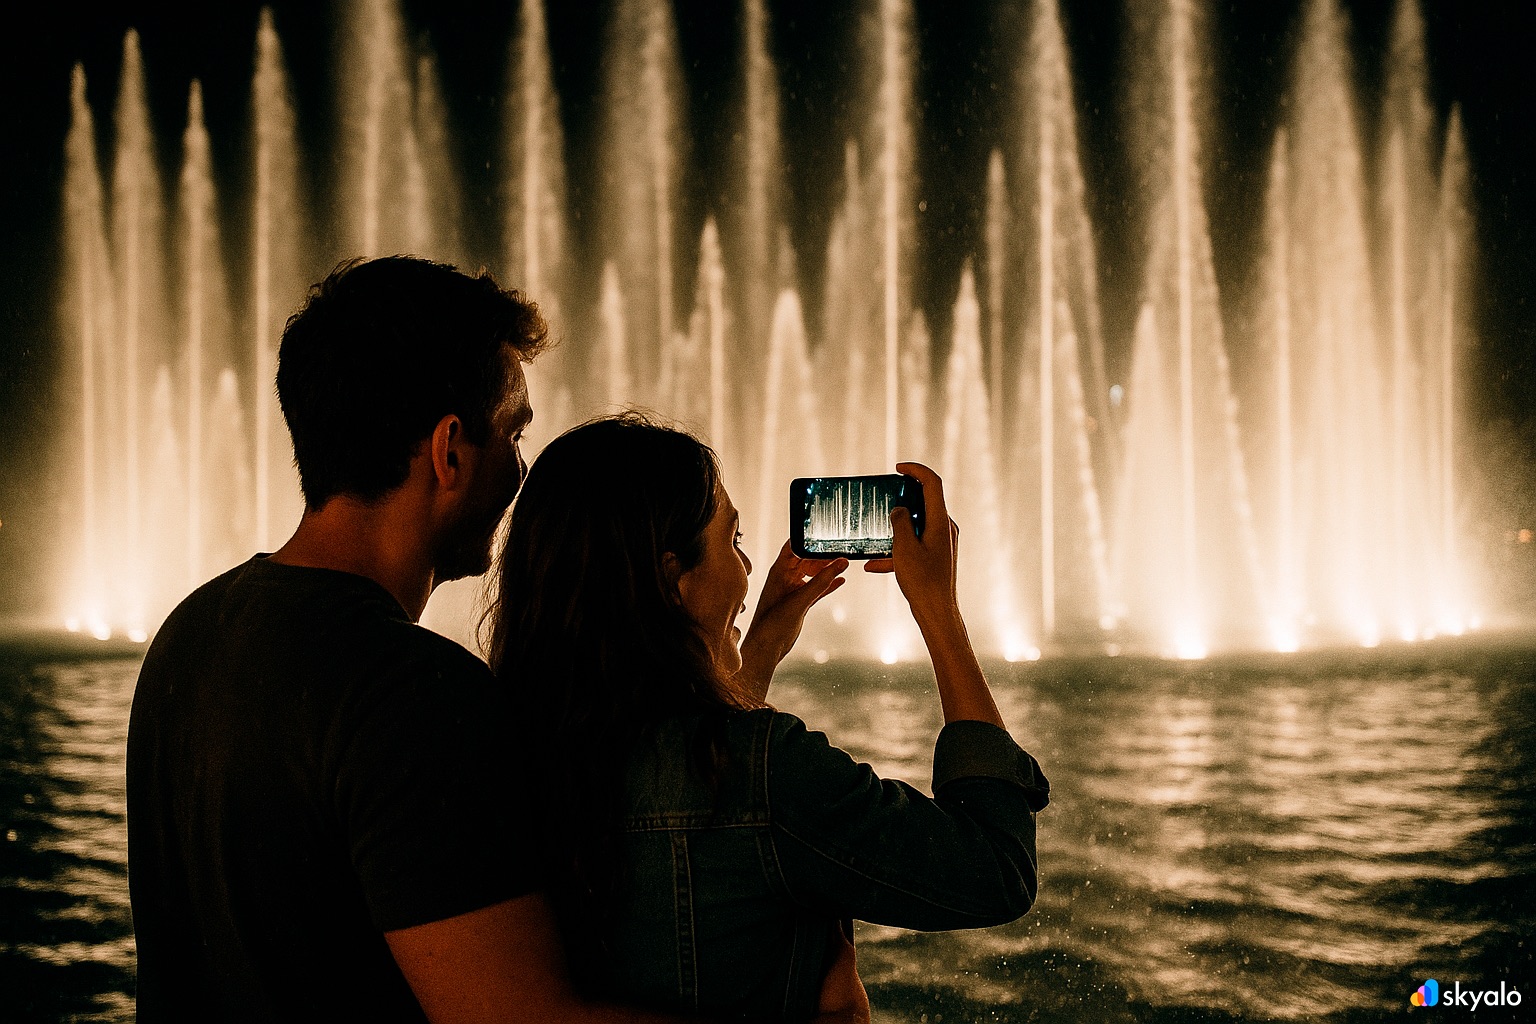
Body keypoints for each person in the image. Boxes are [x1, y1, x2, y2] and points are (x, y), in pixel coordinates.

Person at [126, 258, 869, 1023]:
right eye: (514, 434)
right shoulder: (413, 692)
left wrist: (760, 647)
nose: (521, 472)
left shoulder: (191, 634)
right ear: (449, 450)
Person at [487, 414, 1050, 1020]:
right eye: (732, 541)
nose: (748, 567)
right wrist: (939, 610)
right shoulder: (765, 769)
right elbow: (995, 870)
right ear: (672, 579)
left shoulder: (495, 745)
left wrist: (756, 654)